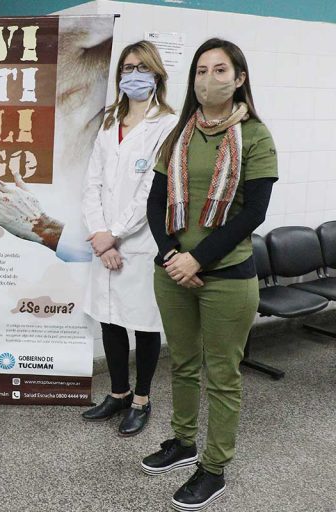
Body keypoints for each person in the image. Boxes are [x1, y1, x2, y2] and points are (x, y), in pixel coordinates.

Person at [143, 39, 277, 512]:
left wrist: (197, 260)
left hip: (228, 276)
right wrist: (171, 255)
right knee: (181, 363)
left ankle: (214, 468)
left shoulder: (256, 136)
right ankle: (183, 443)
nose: (208, 79)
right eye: (201, 70)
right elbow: (155, 202)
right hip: (172, 271)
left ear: (239, 79)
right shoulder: (178, 134)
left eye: (220, 70)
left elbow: (254, 213)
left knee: (222, 376)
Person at [78, 41, 177, 437]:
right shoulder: (109, 122)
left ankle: (141, 399)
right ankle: (118, 394)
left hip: (139, 242)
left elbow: (152, 192)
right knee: (110, 319)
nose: (133, 75)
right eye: (127, 68)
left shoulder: (167, 124)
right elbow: (92, 184)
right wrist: (100, 235)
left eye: (141, 67)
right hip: (104, 242)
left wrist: (114, 234)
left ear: (156, 74)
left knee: (143, 322)